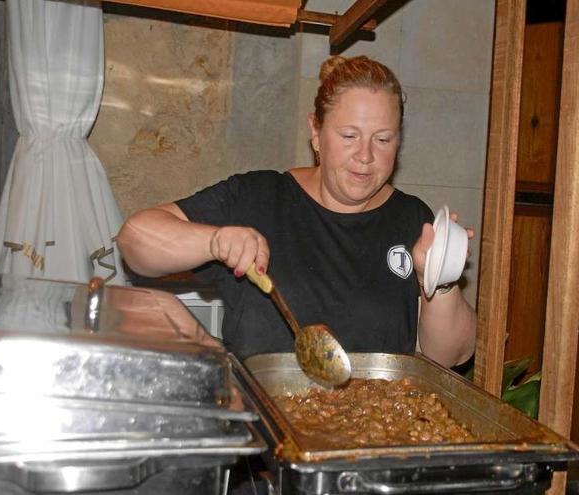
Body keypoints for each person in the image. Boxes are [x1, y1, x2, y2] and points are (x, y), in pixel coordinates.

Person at [117, 55, 476, 369]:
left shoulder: (412, 219)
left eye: (383, 139)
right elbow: (135, 241)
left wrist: (440, 278)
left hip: (373, 437)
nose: (366, 156)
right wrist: (215, 240)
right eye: (349, 136)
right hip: (266, 428)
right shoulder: (258, 197)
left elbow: (448, 356)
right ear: (316, 133)